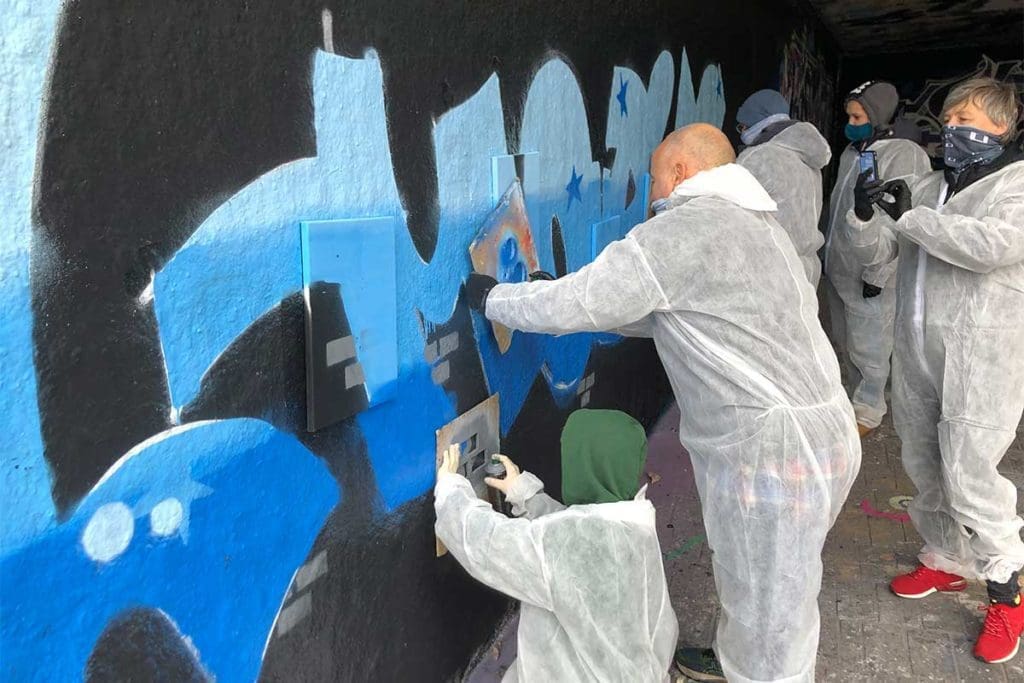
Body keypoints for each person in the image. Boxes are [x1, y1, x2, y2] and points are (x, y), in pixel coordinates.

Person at [465, 124, 861, 682]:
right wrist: (559, 291)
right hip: (820, 432)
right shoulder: (755, 225)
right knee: (768, 584)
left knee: (774, 610)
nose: (652, 192)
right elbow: (662, 314)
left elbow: (587, 300)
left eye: (654, 177)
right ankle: (735, 660)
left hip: (775, 456)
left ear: (680, 172)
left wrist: (498, 299)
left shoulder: (687, 228)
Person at [844, 77, 1024, 664]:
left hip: (982, 356)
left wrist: (912, 217)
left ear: (1003, 125)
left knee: (972, 474)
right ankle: (947, 561)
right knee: (924, 461)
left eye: (967, 118)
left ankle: (1007, 587)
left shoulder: (1016, 184)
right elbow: (878, 256)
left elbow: (991, 246)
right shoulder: (930, 184)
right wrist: (866, 216)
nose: (954, 130)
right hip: (917, 349)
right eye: (949, 119)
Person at [434, 409, 678, 682]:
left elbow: (486, 543)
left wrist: (450, 490)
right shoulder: (633, 524)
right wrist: (524, 492)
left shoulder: (572, 546)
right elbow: (574, 534)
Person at [824, 81, 932, 438]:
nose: (850, 122)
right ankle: (850, 400)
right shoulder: (853, 153)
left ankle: (868, 411)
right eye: (849, 115)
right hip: (842, 269)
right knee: (846, 341)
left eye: (857, 115)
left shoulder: (903, 154)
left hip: (871, 274)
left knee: (870, 348)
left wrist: (880, 273)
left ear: (878, 114)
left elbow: (901, 221)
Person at [736, 89, 832, 287]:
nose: (742, 132)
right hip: (804, 271)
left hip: (768, 271)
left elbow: (728, 212)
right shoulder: (807, 159)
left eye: (744, 126)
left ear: (760, 123)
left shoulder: (759, 157)